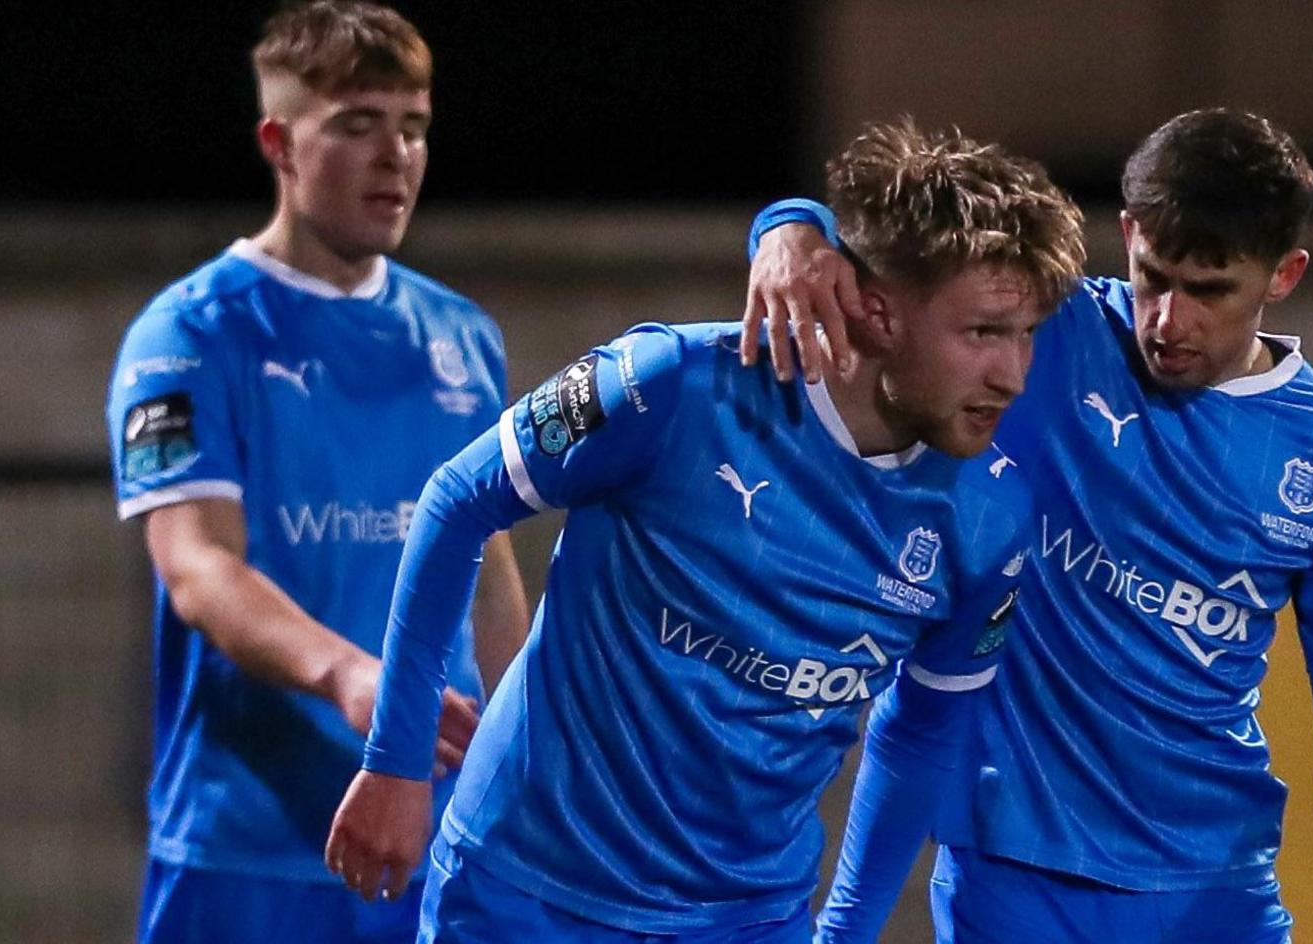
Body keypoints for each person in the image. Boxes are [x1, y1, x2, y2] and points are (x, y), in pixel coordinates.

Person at [322, 120, 1087, 942]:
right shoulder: (669, 385)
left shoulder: (991, 518)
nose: (1013, 375)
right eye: (982, 334)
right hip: (524, 894)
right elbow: (457, 499)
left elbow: (925, 726)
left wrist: (851, 928)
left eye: (1026, 334)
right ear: (875, 311)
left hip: (748, 920)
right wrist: (397, 763)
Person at [743, 109, 1313, 944]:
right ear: (1126, 233)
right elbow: (881, 242)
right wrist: (787, 230)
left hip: (1216, 891)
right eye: (1152, 276)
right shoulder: (1042, 334)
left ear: (1284, 275)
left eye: (1208, 291)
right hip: (1010, 877)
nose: (1168, 320)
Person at [104, 3, 529, 941]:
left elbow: (487, 561)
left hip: (441, 834)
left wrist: (532, 737)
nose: (397, 156)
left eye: (413, 127)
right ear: (279, 143)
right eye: (357, 125)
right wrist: (351, 676)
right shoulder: (189, 336)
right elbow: (198, 569)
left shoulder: (462, 335)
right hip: (252, 844)